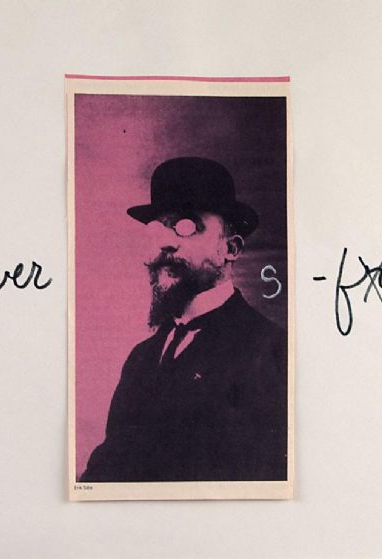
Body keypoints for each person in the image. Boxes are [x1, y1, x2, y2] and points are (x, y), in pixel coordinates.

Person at [80, 157, 288, 482]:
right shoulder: (140, 358)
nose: (166, 241)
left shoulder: (271, 350)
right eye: (158, 227)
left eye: (187, 226)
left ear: (230, 248)